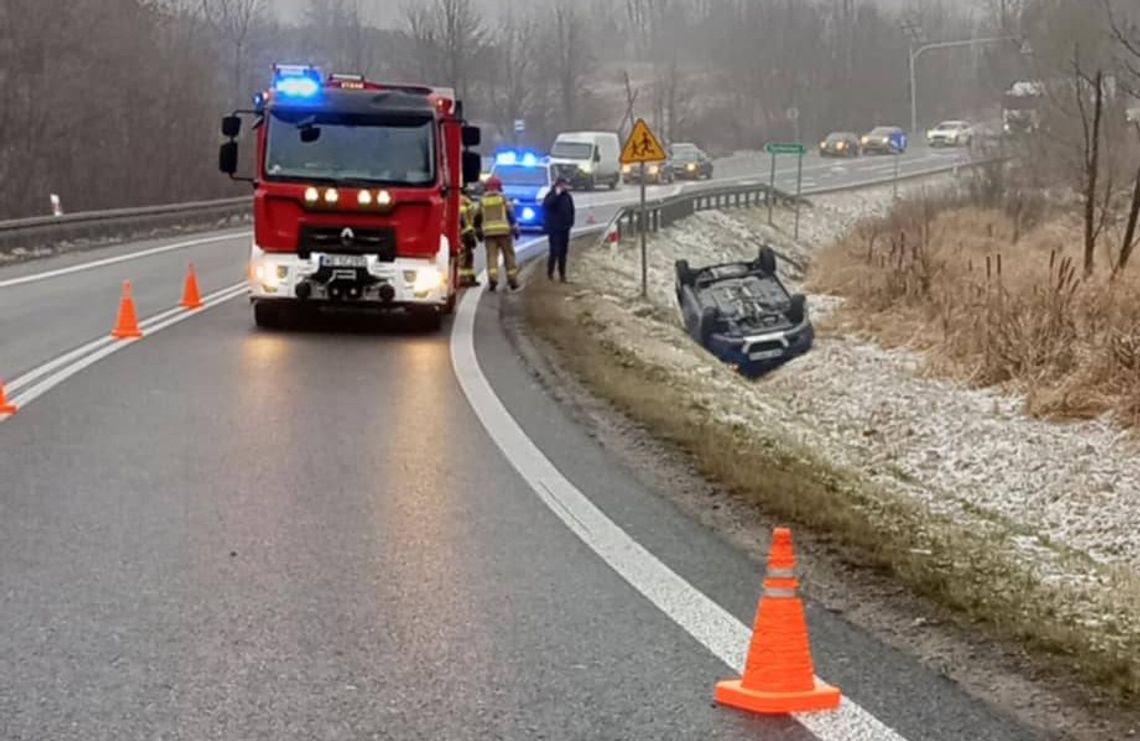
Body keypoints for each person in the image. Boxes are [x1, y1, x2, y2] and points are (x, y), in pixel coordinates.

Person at [473, 176, 520, 291]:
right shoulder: (503, 199)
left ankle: (493, 279)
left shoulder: (482, 201)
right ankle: (512, 280)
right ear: (499, 187)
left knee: (492, 257)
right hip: (504, 232)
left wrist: (478, 232)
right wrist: (516, 229)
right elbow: (510, 215)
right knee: (509, 255)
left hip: (489, 234)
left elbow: (477, 218)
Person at [542, 176, 576, 282]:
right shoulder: (551, 195)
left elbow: (571, 210)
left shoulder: (568, 196)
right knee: (554, 251)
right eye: (561, 185)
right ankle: (550, 273)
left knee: (563, 253)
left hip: (565, 228)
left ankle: (562, 275)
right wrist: (556, 195)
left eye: (564, 185)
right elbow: (547, 206)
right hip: (554, 228)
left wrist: (570, 223)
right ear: (557, 185)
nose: (563, 187)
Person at [458, 190, 480, 287]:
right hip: (464, 233)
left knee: (468, 256)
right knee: (464, 256)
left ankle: (469, 277)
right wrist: (470, 234)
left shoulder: (457, 199)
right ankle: (462, 279)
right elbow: (468, 219)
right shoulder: (465, 201)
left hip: (461, 232)